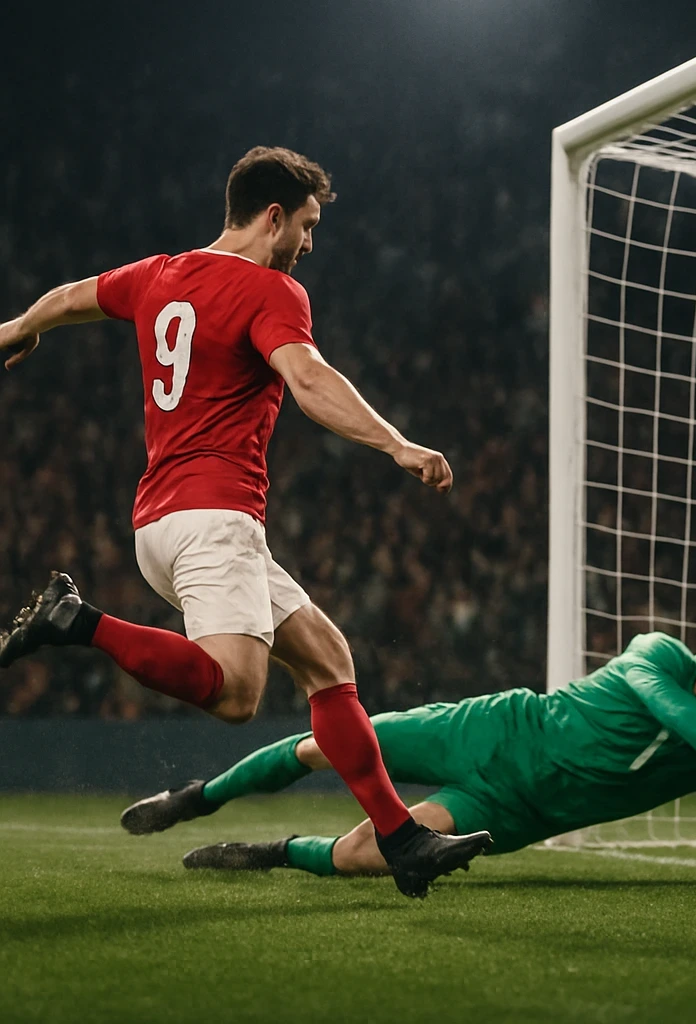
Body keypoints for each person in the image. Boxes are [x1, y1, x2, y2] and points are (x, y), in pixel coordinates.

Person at [0, 146, 491, 897]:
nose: (310, 243)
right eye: (308, 224)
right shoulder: (270, 290)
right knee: (236, 696)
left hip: (161, 524)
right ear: (272, 217)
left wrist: (16, 329)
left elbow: (71, 296)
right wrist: (395, 443)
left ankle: (401, 841)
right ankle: (78, 622)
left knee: (328, 658)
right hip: (213, 519)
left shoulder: (158, 274)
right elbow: (307, 378)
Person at [120, 596, 696, 885]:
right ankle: (197, 796)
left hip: (511, 807)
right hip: (492, 733)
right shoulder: (659, 658)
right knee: (324, 744)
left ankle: (274, 852)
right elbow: (662, 702)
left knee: (357, 859)